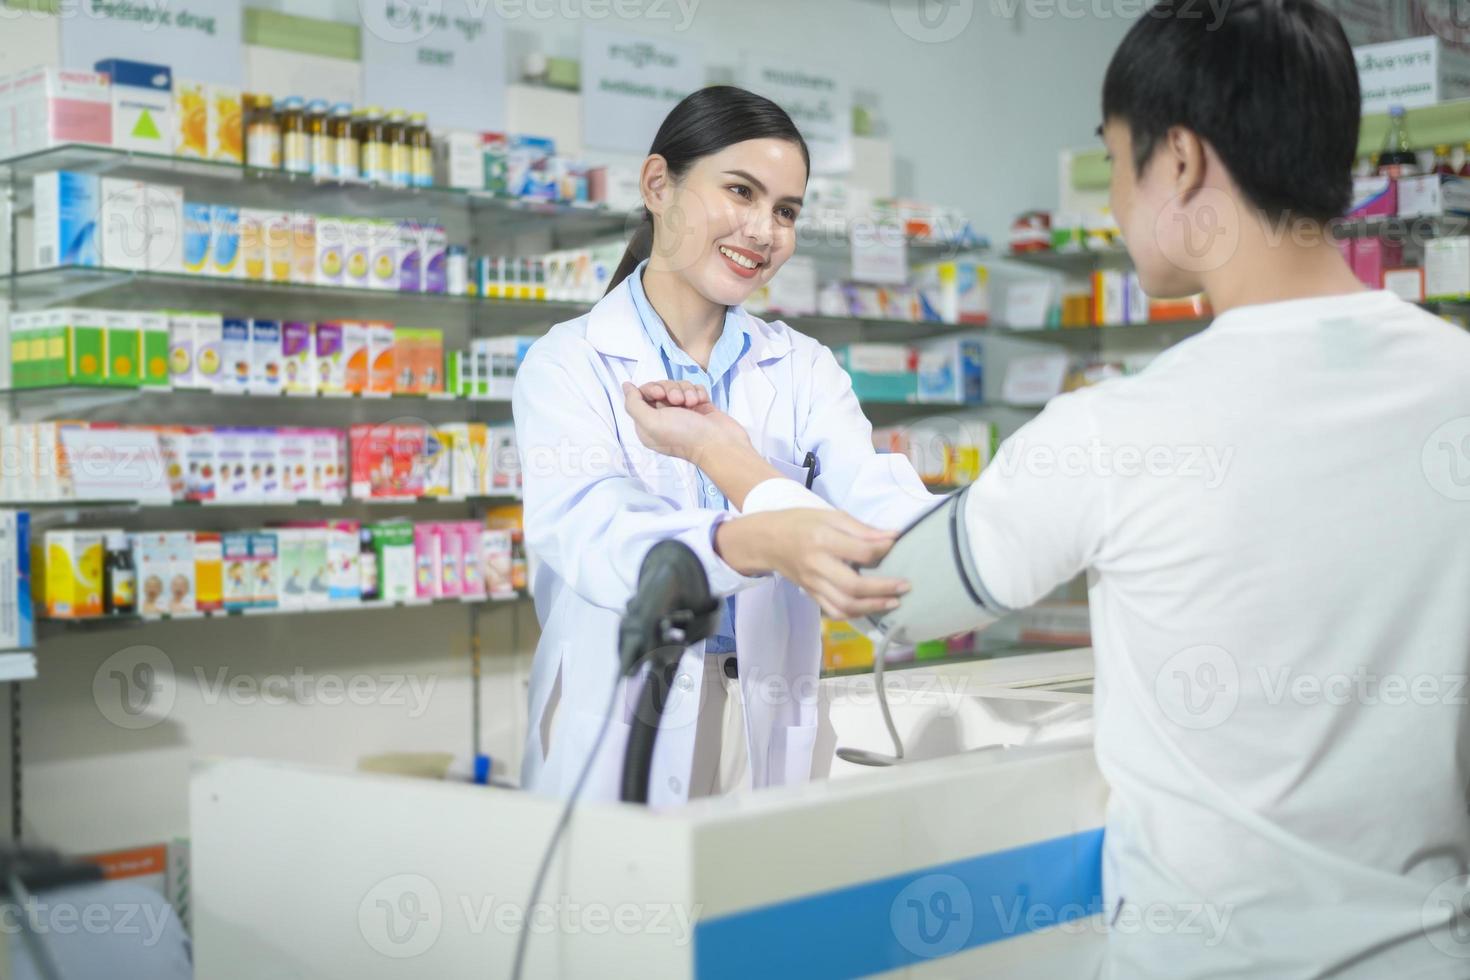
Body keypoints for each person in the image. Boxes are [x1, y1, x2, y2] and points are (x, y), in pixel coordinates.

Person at [622, 2, 1470, 976]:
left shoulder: (1120, 429)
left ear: (1181, 163)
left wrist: (731, 458)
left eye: (1114, 163)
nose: (1114, 201)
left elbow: (893, 587)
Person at [512, 85, 937, 806]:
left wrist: (944, 534)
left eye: (786, 211)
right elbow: (599, 536)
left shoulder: (802, 368)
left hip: (766, 713)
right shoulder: (569, 362)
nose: (763, 229)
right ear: (658, 185)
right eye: (740, 190)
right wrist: (766, 540)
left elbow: (878, 504)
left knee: (759, 910)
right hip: (625, 717)